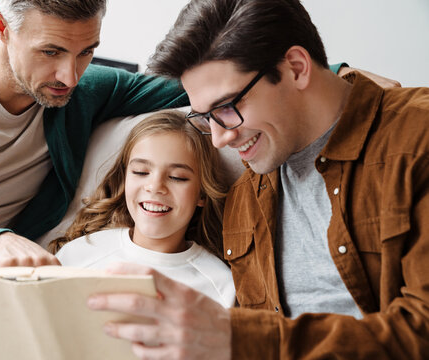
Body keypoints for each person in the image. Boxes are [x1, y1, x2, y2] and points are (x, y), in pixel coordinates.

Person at [86, 0, 429, 359]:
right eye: (205, 117)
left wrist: (235, 337)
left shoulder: (415, 138)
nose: (219, 140)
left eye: (227, 108)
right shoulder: (247, 196)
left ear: (296, 68)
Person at [0, 0, 191, 358]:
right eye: (51, 51)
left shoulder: (85, 92)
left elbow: (199, 88)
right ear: (1, 26)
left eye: (87, 52)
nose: (70, 76)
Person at [50, 110, 236, 308]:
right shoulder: (80, 253)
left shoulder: (220, 286)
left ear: (202, 194)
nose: (155, 186)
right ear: (125, 179)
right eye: (141, 172)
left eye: (177, 177)